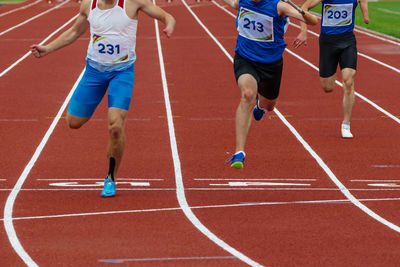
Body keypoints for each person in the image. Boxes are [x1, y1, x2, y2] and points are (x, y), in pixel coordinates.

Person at [31, 0, 175, 197]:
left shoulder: (132, 3)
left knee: (115, 127)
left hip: (122, 73)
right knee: (73, 122)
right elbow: (74, 32)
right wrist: (47, 48)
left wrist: (169, 25)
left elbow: (167, 15)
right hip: (94, 72)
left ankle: (111, 177)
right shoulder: (88, 5)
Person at [222, 0, 318, 169]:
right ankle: (239, 152)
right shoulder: (242, 1)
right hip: (245, 59)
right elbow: (231, 3)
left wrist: (302, 21)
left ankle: (260, 106)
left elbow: (313, 21)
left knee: (270, 105)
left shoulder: (279, 6)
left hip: (271, 64)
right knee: (248, 94)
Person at [294, 0, 369, 138]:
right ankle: (332, 71)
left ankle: (346, 125)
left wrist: (365, 14)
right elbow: (304, 7)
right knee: (327, 87)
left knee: (348, 80)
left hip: (348, 41)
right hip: (328, 42)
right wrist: (304, 31)